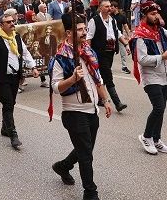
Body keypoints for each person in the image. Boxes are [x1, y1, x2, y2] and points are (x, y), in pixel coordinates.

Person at [50, 13, 111, 200]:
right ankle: (90, 193)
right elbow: (55, 87)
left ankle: (63, 166)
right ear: (69, 32)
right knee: (86, 155)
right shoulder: (61, 57)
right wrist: (73, 79)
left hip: (92, 109)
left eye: (85, 29)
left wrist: (106, 100)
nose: (84, 32)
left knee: (85, 149)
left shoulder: (88, 52)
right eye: (80, 30)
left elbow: (97, 79)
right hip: (74, 113)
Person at [130, 2, 167, 155]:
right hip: (151, 77)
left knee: (161, 109)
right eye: (152, 14)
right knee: (158, 107)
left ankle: (157, 139)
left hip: (165, 76)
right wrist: (162, 57)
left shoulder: (159, 30)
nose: (156, 16)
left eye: (157, 13)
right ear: (144, 16)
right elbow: (142, 59)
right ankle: (146, 137)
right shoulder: (140, 35)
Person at [0, 13, 40, 149]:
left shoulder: (16, 37)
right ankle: (13, 135)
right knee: (8, 103)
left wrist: (33, 67)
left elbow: (25, 53)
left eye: (13, 21)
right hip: (1, 77)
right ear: (1, 25)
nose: (12, 23)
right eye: (8, 22)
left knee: (11, 102)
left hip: (15, 76)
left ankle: (4, 127)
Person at [87, 0, 131, 112]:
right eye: (106, 6)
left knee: (102, 76)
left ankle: (98, 98)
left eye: (110, 6)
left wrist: (126, 44)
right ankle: (117, 103)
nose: (109, 8)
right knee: (108, 76)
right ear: (100, 8)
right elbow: (89, 37)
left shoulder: (113, 20)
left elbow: (118, 34)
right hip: (100, 52)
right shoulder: (94, 20)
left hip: (110, 52)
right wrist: (89, 53)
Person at [110, 1, 131, 74]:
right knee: (111, 52)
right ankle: (109, 67)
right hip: (112, 36)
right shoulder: (110, 16)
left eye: (112, 8)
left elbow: (125, 26)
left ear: (116, 8)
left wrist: (128, 35)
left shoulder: (122, 16)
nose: (110, 9)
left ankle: (124, 67)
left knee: (123, 52)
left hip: (120, 36)